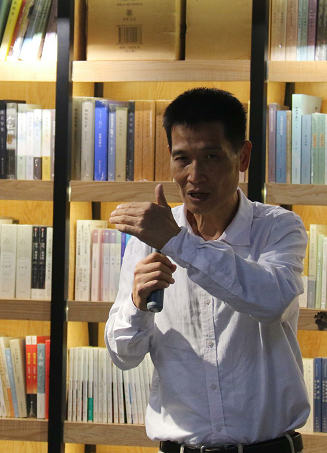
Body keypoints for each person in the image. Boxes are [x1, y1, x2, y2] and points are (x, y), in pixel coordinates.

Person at [106, 88, 308, 453]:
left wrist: (177, 242)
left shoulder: (278, 227)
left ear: (243, 157)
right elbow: (124, 356)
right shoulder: (149, 237)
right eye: (182, 159)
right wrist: (137, 305)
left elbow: (271, 301)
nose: (195, 175)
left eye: (212, 156)